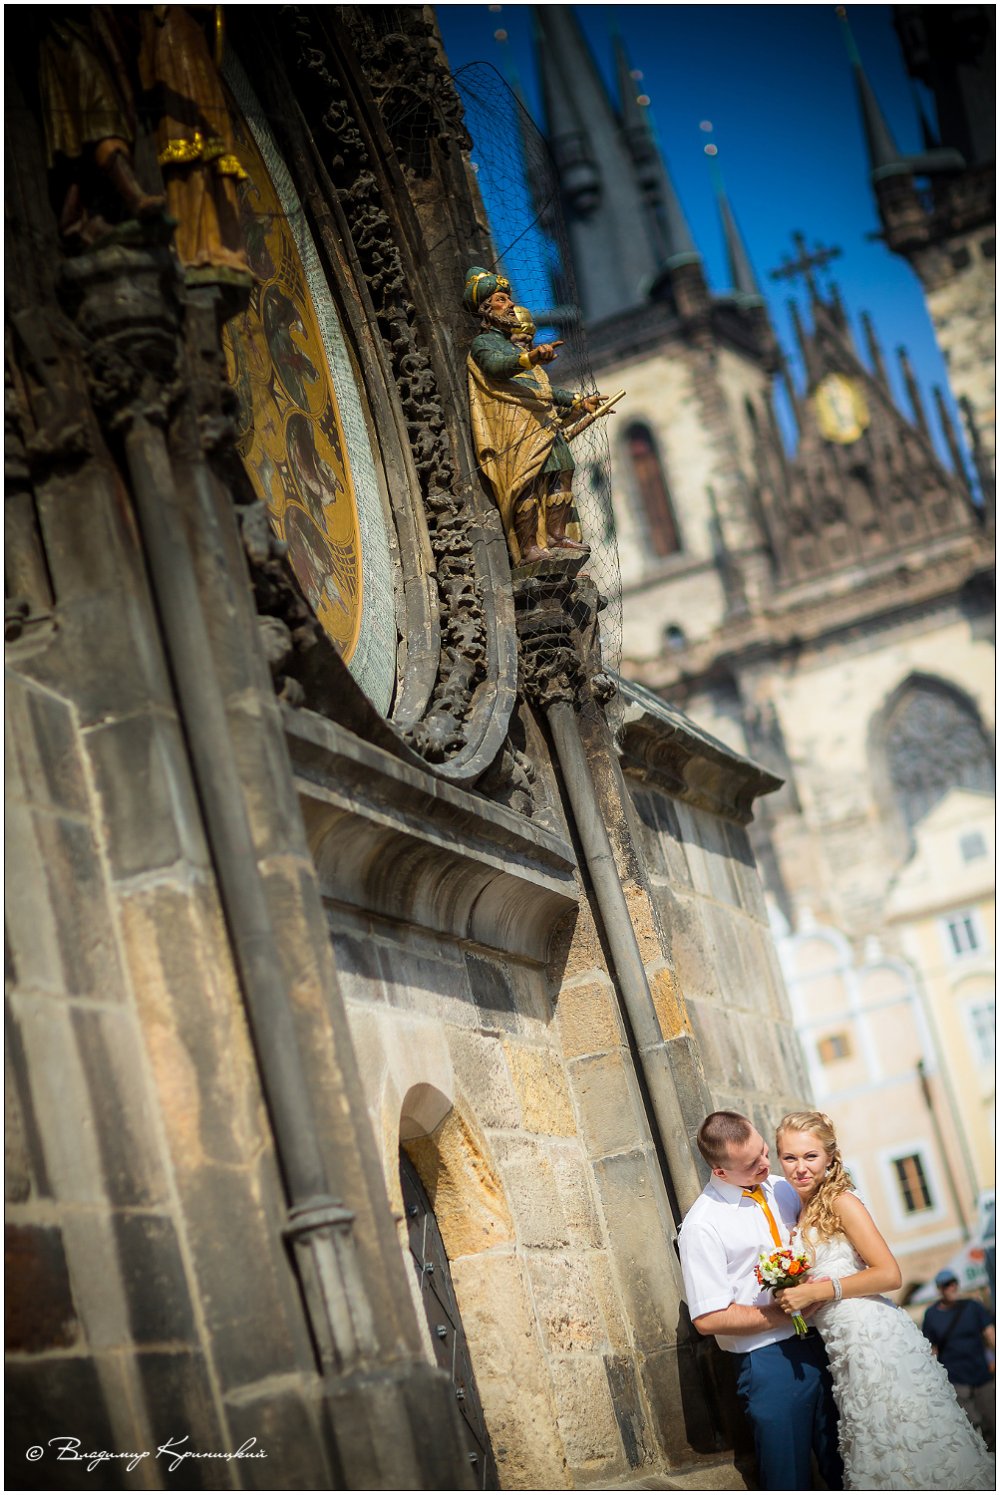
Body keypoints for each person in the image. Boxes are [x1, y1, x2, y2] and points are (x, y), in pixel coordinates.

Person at [773, 1110, 995, 1490]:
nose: (800, 1168)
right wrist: (800, 1299)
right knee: (878, 1448)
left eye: (810, 1156)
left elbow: (890, 1275)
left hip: (873, 1340)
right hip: (842, 1347)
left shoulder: (842, 1201)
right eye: (790, 1158)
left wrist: (818, 1291)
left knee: (907, 1442)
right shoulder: (804, 1210)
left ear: (830, 1157)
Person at [678, 1110, 843, 1491]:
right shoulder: (703, 1226)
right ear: (720, 1172)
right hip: (768, 1363)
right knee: (788, 1479)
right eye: (752, 1164)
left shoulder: (782, 1188)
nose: (767, 1165)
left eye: (766, 1153)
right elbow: (709, 1318)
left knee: (847, 1464)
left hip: (825, 1342)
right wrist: (784, 1313)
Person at [464, 266, 601, 565]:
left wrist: (578, 399)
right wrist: (531, 357)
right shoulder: (484, 343)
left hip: (542, 420)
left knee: (562, 473)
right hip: (514, 424)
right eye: (502, 300)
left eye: (509, 300)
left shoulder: (518, 350)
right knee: (525, 483)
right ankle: (529, 548)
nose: (511, 305)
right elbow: (497, 368)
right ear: (486, 310)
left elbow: (544, 390)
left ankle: (555, 535)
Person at [923, 1270, 996, 1450]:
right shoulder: (932, 1315)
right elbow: (932, 1349)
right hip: (955, 1377)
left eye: (954, 1282)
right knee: (973, 1423)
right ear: (940, 1289)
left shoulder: (973, 1306)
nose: (952, 1287)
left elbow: (990, 1333)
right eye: (947, 1284)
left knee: (993, 1420)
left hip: (982, 1373)